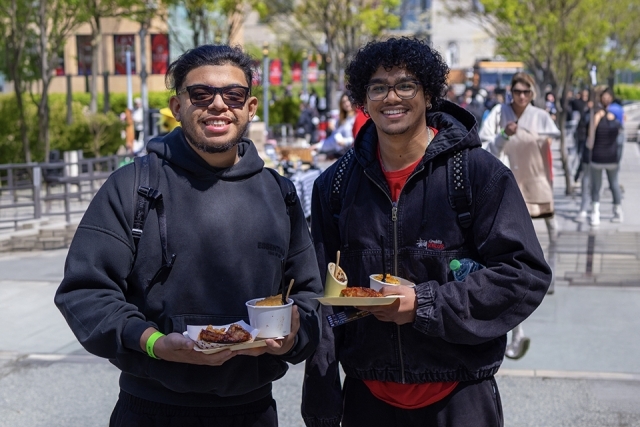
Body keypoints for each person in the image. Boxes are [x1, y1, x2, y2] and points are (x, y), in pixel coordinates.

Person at [54, 44, 323, 427]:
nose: (218, 104)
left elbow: (310, 298)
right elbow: (84, 291)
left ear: (250, 107)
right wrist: (153, 342)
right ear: (177, 107)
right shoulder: (132, 184)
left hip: (254, 410)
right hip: (150, 409)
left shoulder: (278, 193)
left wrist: (295, 334)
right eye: (201, 94)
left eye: (233, 95)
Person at [301, 37, 551, 427]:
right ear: (363, 100)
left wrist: (423, 303)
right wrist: (321, 403)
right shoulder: (334, 186)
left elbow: (524, 275)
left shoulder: (477, 175)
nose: (391, 97)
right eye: (378, 87)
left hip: (460, 397)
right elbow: (324, 303)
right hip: (367, 399)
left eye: (406, 85)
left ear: (430, 94)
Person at [480, 72, 560, 356]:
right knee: (506, 259)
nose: (521, 96)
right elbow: (486, 147)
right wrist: (505, 134)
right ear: (510, 92)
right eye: (517, 91)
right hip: (502, 190)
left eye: (526, 91)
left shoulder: (539, 116)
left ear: (533, 93)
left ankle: (517, 329)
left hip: (533, 187)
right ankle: (516, 331)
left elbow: (552, 149)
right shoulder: (498, 115)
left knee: (537, 242)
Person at [587, 87, 624, 225]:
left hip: (598, 156)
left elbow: (590, 138)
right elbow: (620, 136)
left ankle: (595, 213)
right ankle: (617, 210)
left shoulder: (596, 115)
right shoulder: (616, 115)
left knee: (596, 186)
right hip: (612, 156)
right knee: (613, 184)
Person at [319, 93, 356, 158]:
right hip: (342, 154)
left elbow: (359, 137)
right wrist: (318, 146)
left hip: (354, 154)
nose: (346, 104)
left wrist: (345, 141)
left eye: (348, 101)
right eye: (344, 102)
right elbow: (333, 139)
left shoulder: (357, 117)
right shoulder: (341, 120)